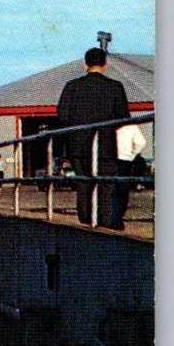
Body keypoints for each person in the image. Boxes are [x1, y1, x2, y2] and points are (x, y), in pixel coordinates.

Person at [56, 47, 130, 228]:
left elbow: (63, 116)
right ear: (105, 65)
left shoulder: (71, 86)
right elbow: (123, 117)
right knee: (105, 183)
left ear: (85, 65)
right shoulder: (115, 87)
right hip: (106, 145)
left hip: (78, 145)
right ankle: (105, 220)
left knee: (84, 182)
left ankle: (86, 218)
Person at [115, 123, 148, 226]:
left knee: (108, 187)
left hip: (109, 160)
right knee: (123, 189)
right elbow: (141, 142)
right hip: (126, 159)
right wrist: (132, 154)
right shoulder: (131, 125)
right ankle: (118, 216)